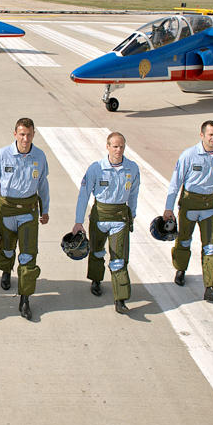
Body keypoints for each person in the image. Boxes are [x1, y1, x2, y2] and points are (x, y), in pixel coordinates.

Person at [0, 117, 49, 320]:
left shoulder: (39, 156)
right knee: (7, 249)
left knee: (28, 256)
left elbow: (43, 184)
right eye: (22, 134)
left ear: (33, 134)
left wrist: (45, 209)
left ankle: (25, 299)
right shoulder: (2, 155)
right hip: (7, 210)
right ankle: (6, 270)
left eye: (29, 134)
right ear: (15, 134)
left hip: (29, 212)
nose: (25, 138)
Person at [71, 131, 140, 314]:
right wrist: (79, 222)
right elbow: (83, 195)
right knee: (97, 251)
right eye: (115, 146)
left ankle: (120, 298)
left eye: (122, 146)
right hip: (99, 216)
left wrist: (132, 215)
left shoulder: (132, 168)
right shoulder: (95, 168)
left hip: (120, 218)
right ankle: (96, 279)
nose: (118, 150)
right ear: (107, 147)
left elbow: (133, 193)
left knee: (119, 259)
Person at [163, 120, 213, 302]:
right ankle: (181, 269)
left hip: (209, 207)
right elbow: (175, 183)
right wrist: (169, 208)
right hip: (189, 205)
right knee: (184, 242)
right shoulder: (189, 155)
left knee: (211, 247)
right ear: (202, 135)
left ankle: (210, 287)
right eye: (210, 135)